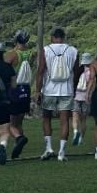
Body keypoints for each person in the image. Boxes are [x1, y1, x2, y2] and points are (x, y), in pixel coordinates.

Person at [36, 26, 79, 162]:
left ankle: (49, 148)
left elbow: (41, 71)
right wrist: (74, 88)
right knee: (64, 121)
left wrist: (37, 90)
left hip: (49, 89)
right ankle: (61, 152)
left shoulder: (46, 50)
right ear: (63, 37)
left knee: (46, 118)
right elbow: (77, 72)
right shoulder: (73, 51)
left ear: (52, 37)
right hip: (67, 89)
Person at [4, 29, 34, 159]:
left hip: (14, 89)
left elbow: (4, 70)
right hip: (26, 90)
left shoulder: (12, 55)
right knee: (19, 123)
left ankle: (19, 138)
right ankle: (18, 148)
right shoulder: (30, 54)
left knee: (10, 124)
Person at [72, 52, 94, 146]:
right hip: (86, 96)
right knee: (83, 120)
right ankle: (81, 138)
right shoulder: (92, 71)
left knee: (75, 116)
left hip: (76, 95)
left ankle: (75, 131)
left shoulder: (78, 70)